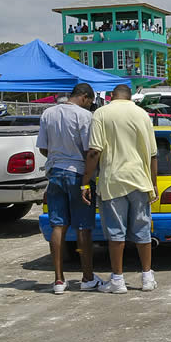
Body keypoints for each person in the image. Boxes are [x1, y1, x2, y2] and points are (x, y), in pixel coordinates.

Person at [81, 84, 158, 293]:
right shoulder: (142, 115)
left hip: (113, 181)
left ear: (112, 96)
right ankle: (147, 277)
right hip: (140, 180)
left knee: (116, 233)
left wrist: (85, 181)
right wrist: (154, 183)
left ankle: (117, 280)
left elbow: (94, 152)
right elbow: (153, 154)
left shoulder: (101, 114)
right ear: (130, 97)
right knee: (142, 232)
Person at [36, 83, 102, 294]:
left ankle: (58, 280)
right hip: (78, 174)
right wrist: (89, 177)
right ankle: (87, 277)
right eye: (90, 102)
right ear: (84, 97)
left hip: (55, 172)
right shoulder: (84, 117)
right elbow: (88, 151)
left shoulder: (48, 113)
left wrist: (59, 158)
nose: (90, 106)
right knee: (83, 227)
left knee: (58, 225)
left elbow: (43, 148)